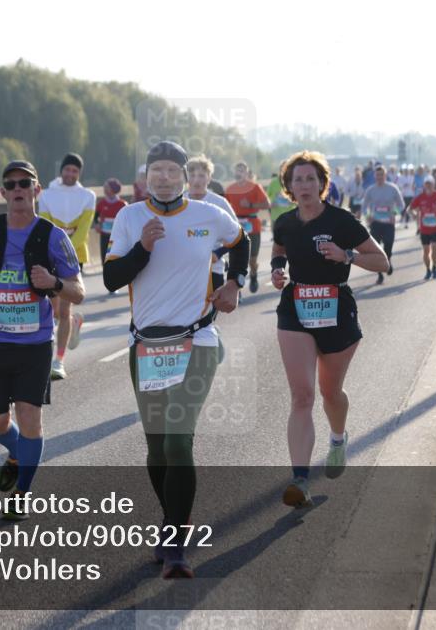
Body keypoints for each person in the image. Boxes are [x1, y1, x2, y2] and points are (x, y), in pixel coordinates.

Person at [104, 140, 250, 578]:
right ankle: (173, 521)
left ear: (186, 176)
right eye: (156, 171)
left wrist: (235, 284)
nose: (164, 177)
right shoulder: (130, 218)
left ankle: (175, 544)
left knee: (177, 440)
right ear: (145, 177)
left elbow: (241, 241)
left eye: (172, 170)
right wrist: (142, 248)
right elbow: (112, 279)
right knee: (156, 449)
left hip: (197, 339)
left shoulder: (208, 215)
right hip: (147, 345)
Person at [0, 160, 85, 520]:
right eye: (11, 184)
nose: (18, 189)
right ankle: (16, 454)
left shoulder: (53, 236)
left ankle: (21, 494)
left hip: (34, 345)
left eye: (25, 183)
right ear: (2, 192)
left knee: (31, 420)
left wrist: (54, 283)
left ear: (36, 190)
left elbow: (78, 291)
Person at [270, 151, 388, 507]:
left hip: (337, 310)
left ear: (323, 184)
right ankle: (300, 480)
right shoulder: (285, 222)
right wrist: (277, 270)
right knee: (302, 395)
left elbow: (382, 260)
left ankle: (338, 438)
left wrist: (347, 256)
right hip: (296, 309)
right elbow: (279, 247)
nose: (304, 185)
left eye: (310, 179)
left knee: (330, 393)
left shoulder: (342, 221)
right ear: (288, 187)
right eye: (297, 180)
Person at [38, 153, 95, 379]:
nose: (70, 174)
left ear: (79, 173)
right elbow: (45, 224)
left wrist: (65, 251)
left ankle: (58, 361)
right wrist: (54, 251)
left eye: (75, 171)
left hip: (74, 254)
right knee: (54, 309)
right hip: (50, 255)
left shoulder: (88, 196)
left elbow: (83, 230)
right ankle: (72, 323)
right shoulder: (46, 195)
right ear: (61, 171)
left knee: (63, 309)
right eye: (67, 169)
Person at [187, 155, 239, 291]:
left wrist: (219, 252)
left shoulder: (219, 203)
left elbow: (238, 235)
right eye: (192, 175)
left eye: (201, 176)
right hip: (184, 270)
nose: (196, 180)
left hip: (213, 268)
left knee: (210, 310)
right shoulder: (178, 201)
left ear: (209, 178)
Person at [224, 161, 271, 293]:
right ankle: (236, 288)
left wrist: (250, 205)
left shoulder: (255, 187)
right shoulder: (229, 189)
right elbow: (224, 209)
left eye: (242, 170)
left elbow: (267, 204)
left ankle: (254, 275)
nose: (239, 173)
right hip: (236, 225)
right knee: (235, 258)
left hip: (252, 224)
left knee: (252, 259)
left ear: (246, 173)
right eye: (237, 170)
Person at [361, 165, 405, 285]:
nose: (379, 177)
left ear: (385, 176)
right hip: (375, 223)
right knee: (376, 249)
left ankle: (388, 260)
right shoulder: (370, 190)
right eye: (377, 175)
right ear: (375, 176)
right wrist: (368, 215)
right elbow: (364, 206)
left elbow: (401, 205)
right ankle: (380, 274)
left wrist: (394, 213)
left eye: (382, 175)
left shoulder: (393, 188)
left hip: (389, 223)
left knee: (388, 245)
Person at [408, 176, 436, 280]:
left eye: (430, 183)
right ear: (424, 185)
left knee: (434, 248)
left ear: (433, 185)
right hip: (424, 229)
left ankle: (435, 267)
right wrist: (413, 215)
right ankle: (428, 269)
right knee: (426, 251)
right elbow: (410, 208)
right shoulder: (420, 197)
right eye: (426, 183)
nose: (428, 185)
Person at [94, 178, 128, 269]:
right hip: (104, 235)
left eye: (107, 187)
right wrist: (96, 224)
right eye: (104, 187)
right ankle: (106, 273)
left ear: (113, 189)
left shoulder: (122, 204)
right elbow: (95, 217)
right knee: (104, 257)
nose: (104, 189)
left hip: (117, 236)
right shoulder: (101, 204)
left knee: (115, 256)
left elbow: (127, 220)